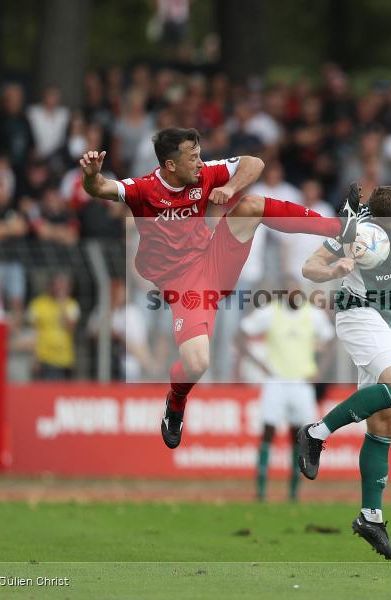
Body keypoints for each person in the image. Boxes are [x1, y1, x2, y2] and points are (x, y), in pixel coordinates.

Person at [80, 127, 360, 449]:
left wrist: (230, 187)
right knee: (197, 363)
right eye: (193, 158)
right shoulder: (142, 189)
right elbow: (100, 187)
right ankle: (176, 403)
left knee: (251, 204)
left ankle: (340, 227)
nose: (200, 163)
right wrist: (91, 176)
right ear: (170, 166)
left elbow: (254, 164)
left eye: (200, 155)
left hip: (212, 262)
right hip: (184, 286)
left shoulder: (205, 174)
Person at [300, 186, 391, 561]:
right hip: (358, 314)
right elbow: (309, 268)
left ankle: (371, 517)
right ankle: (316, 433)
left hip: (386, 321)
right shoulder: (355, 231)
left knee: (384, 420)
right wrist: (337, 268)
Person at [236, 274, 334, 502]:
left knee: (298, 436)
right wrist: (259, 363)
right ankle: (261, 490)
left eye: (295, 289)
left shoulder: (313, 315)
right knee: (268, 431)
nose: (292, 293)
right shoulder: (271, 312)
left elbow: (329, 340)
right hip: (276, 381)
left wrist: (320, 369)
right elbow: (241, 334)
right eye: (287, 289)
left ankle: (293, 492)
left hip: (301, 382)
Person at [27, 272, 80, 380]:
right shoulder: (38, 304)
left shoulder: (72, 305)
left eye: (64, 285)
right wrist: (34, 357)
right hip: (46, 358)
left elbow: (71, 326)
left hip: (66, 360)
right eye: (58, 285)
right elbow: (32, 332)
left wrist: (62, 305)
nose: (61, 288)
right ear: (51, 286)